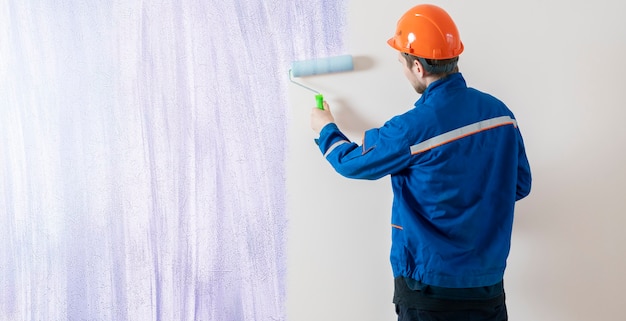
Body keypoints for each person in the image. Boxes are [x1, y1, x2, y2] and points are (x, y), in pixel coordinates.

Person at [309, 4, 532, 321]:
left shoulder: (410, 129)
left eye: (401, 60)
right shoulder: (501, 116)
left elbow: (350, 163)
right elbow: (519, 185)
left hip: (429, 292)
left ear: (417, 67)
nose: (401, 67)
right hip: (487, 289)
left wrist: (325, 129)